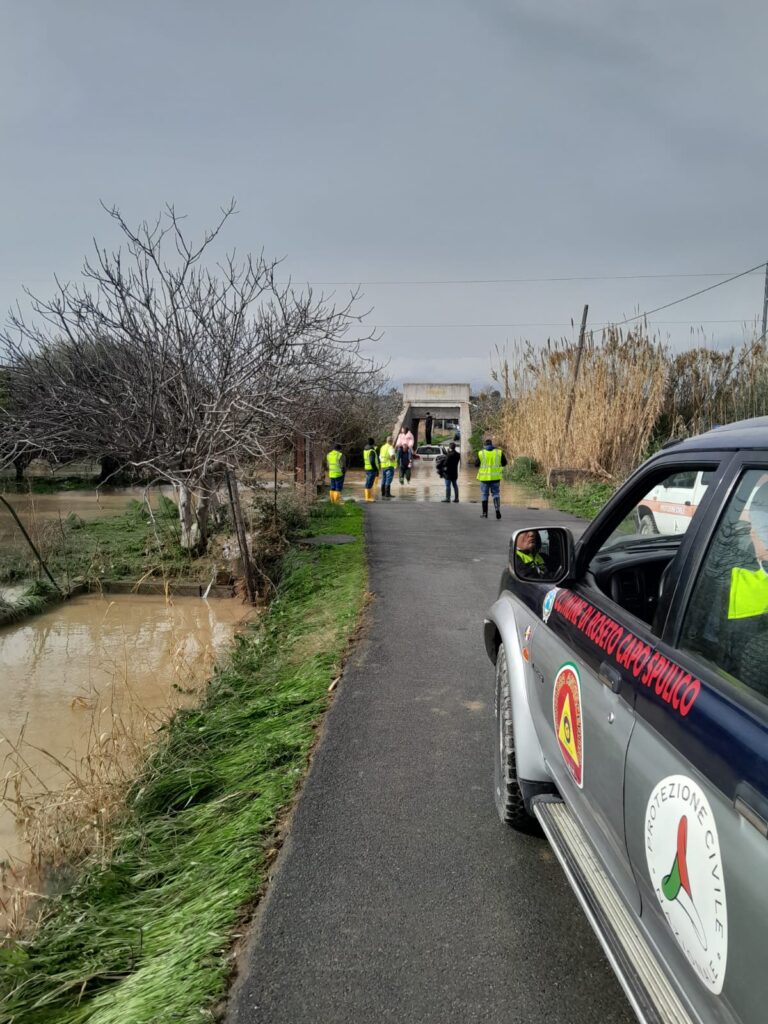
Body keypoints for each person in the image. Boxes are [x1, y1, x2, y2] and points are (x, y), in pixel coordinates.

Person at [475, 438, 507, 519]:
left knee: (484, 495)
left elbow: (476, 464)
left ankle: (485, 513)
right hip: (496, 478)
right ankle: (497, 510)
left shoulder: (481, 453)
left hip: (484, 478)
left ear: (485, 445)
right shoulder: (499, 452)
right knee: (496, 494)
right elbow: (504, 463)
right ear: (492, 445)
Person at [362, 437, 379, 503]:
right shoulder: (371, 451)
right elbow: (372, 461)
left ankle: (368, 497)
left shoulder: (365, 450)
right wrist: (375, 468)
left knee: (368, 482)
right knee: (369, 483)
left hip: (367, 468)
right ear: (373, 443)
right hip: (371, 469)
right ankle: (367, 498)